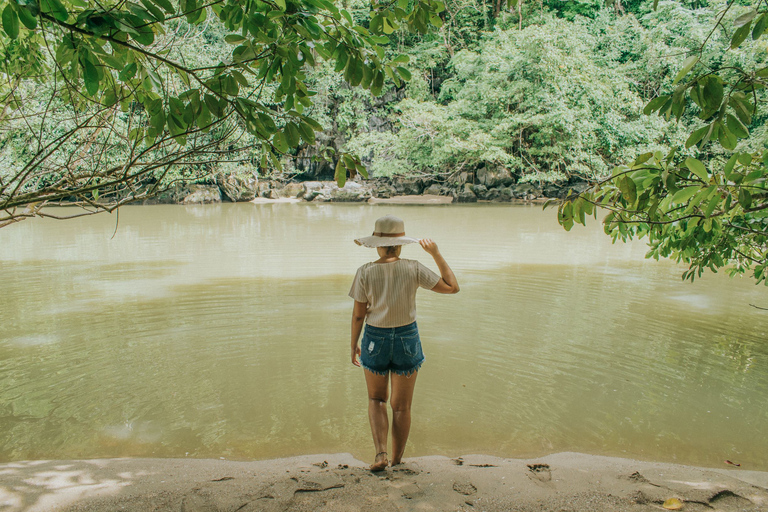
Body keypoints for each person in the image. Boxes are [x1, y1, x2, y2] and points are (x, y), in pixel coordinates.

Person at [349, 214, 459, 471]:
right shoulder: (413, 268)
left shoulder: (365, 272)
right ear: (400, 245)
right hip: (407, 338)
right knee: (402, 407)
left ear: (376, 244)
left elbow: (358, 314)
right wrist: (436, 253)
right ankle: (397, 461)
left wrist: (353, 343)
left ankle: (380, 455)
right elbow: (452, 287)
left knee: (377, 400)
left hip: (375, 337)